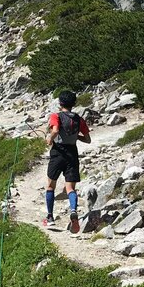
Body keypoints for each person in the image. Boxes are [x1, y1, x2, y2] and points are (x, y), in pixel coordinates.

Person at [43, 89, 90, 233]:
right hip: (72, 153)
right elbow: (88, 139)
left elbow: (56, 130)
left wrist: (49, 138)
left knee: (51, 186)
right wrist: (76, 137)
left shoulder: (55, 116)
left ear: (60, 103)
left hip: (58, 152)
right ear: (73, 104)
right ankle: (73, 210)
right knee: (70, 188)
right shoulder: (78, 119)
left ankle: (50, 217)